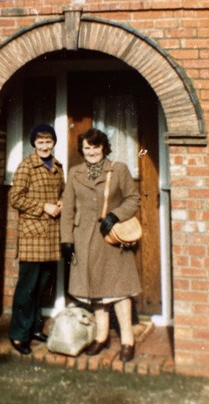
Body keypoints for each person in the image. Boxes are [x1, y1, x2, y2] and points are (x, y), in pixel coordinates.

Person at [60, 128, 141, 362]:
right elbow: (67, 210)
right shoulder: (75, 173)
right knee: (94, 290)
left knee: (119, 290)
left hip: (112, 239)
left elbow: (133, 198)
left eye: (96, 147)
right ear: (82, 150)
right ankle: (101, 336)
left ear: (104, 147)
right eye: (87, 148)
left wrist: (115, 215)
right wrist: (67, 239)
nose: (92, 152)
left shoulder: (119, 169)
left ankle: (127, 340)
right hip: (84, 240)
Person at [9, 124, 64, 355]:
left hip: (51, 234)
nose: (44, 145)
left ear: (53, 143)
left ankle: (34, 329)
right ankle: (19, 336)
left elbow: (61, 191)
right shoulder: (26, 166)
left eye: (48, 141)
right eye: (40, 142)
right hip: (33, 235)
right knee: (27, 288)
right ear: (34, 144)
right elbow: (16, 198)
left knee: (41, 287)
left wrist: (61, 202)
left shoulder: (58, 167)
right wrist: (44, 207)